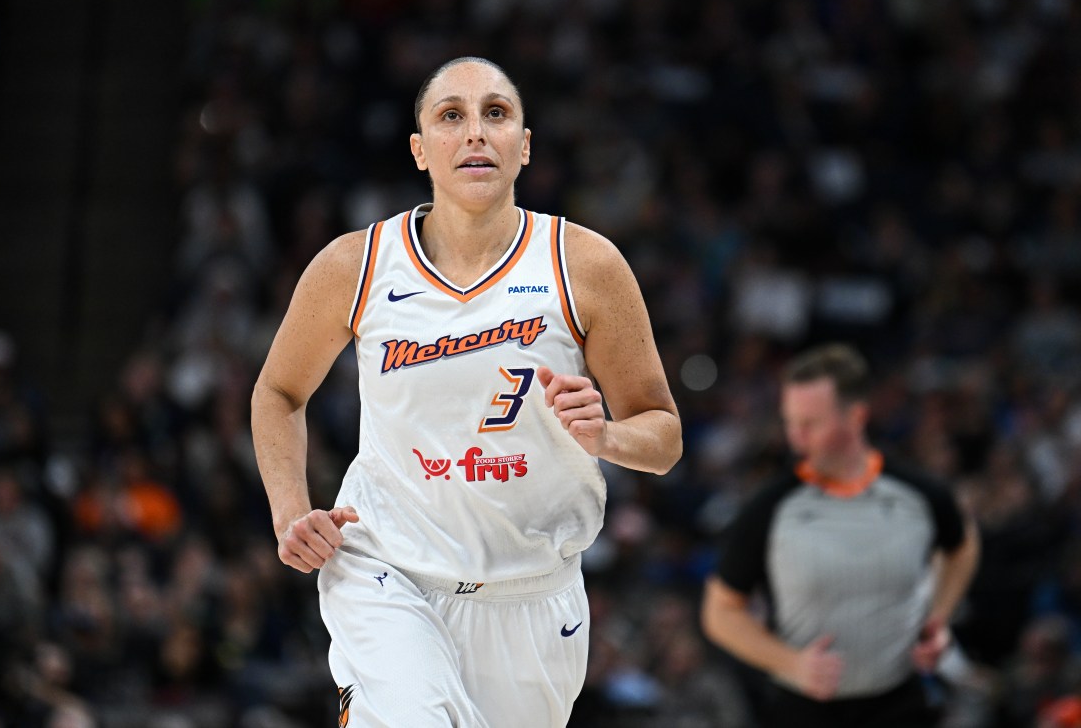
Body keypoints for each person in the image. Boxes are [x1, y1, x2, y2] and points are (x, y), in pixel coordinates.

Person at [251, 56, 683, 727]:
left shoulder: (585, 265)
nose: (475, 132)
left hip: (533, 596)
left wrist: (609, 436)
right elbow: (277, 391)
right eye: (451, 116)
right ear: (421, 149)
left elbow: (663, 436)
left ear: (525, 145)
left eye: (496, 114)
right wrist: (289, 512)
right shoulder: (355, 266)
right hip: (386, 571)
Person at [700, 343, 980, 728]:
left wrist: (939, 616)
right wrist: (791, 663)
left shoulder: (918, 493)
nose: (796, 438)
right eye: (790, 422)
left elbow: (963, 545)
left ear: (856, 416)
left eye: (811, 424)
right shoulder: (770, 507)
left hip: (900, 704)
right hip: (803, 711)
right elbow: (719, 612)